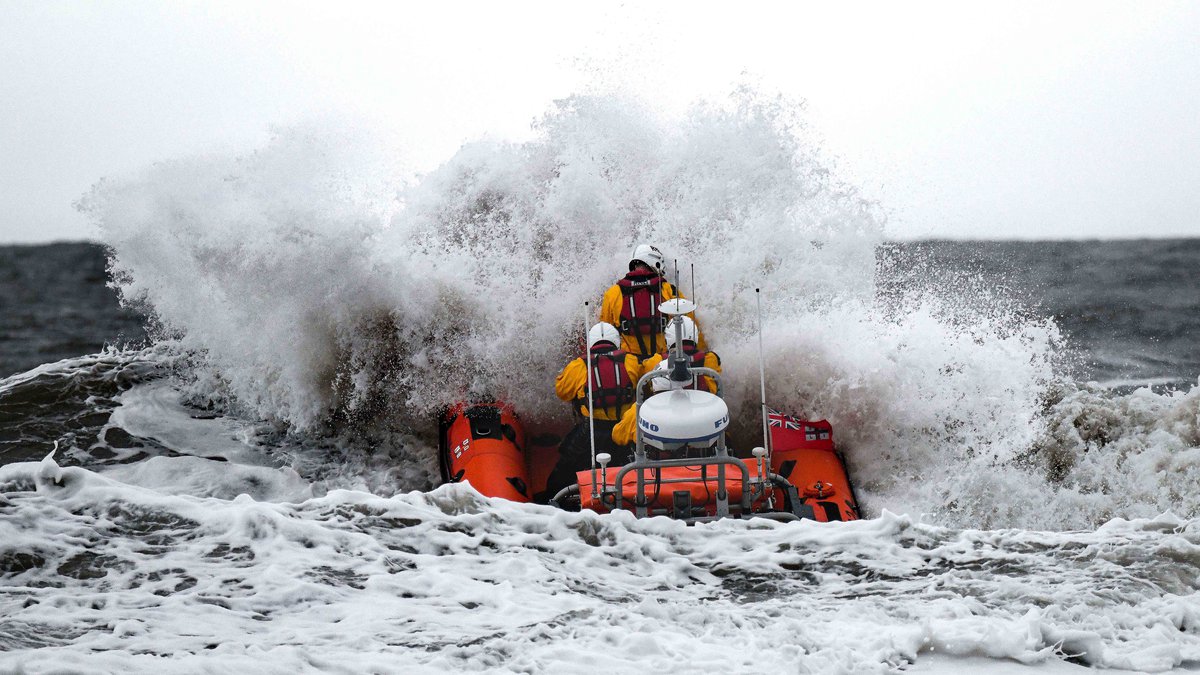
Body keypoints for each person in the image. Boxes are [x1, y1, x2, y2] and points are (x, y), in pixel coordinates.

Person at [542, 322, 645, 502]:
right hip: (624, 431)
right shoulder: (631, 361)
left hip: (590, 431)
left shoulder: (579, 366)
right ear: (616, 342)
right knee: (631, 467)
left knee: (565, 467)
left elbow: (563, 392)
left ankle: (551, 500)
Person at [599, 244, 702, 361]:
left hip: (631, 367)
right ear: (655, 262)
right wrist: (701, 352)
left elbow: (604, 333)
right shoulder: (668, 289)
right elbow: (690, 324)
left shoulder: (613, 293)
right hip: (664, 364)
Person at [639, 316, 721, 394]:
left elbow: (644, 382)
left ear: (667, 338)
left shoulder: (656, 361)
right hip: (704, 406)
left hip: (665, 405)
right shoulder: (710, 359)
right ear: (695, 335)